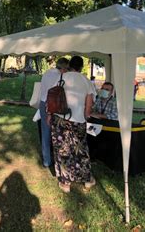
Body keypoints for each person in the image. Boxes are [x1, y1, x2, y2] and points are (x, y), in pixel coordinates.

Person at [48, 55, 96, 193]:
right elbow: (89, 105)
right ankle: (87, 179)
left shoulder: (62, 77)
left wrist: (49, 115)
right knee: (81, 150)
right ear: (81, 67)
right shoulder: (86, 81)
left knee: (62, 149)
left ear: (69, 65)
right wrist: (86, 116)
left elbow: (52, 96)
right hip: (78, 120)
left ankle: (65, 183)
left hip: (60, 119)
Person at [39, 57, 69, 168]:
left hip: (42, 102)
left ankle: (47, 160)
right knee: (58, 133)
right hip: (52, 104)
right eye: (67, 69)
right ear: (64, 68)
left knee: (45, 132)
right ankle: (58, 160)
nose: (67, 71)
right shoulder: (59, 76)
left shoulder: (47, 72)